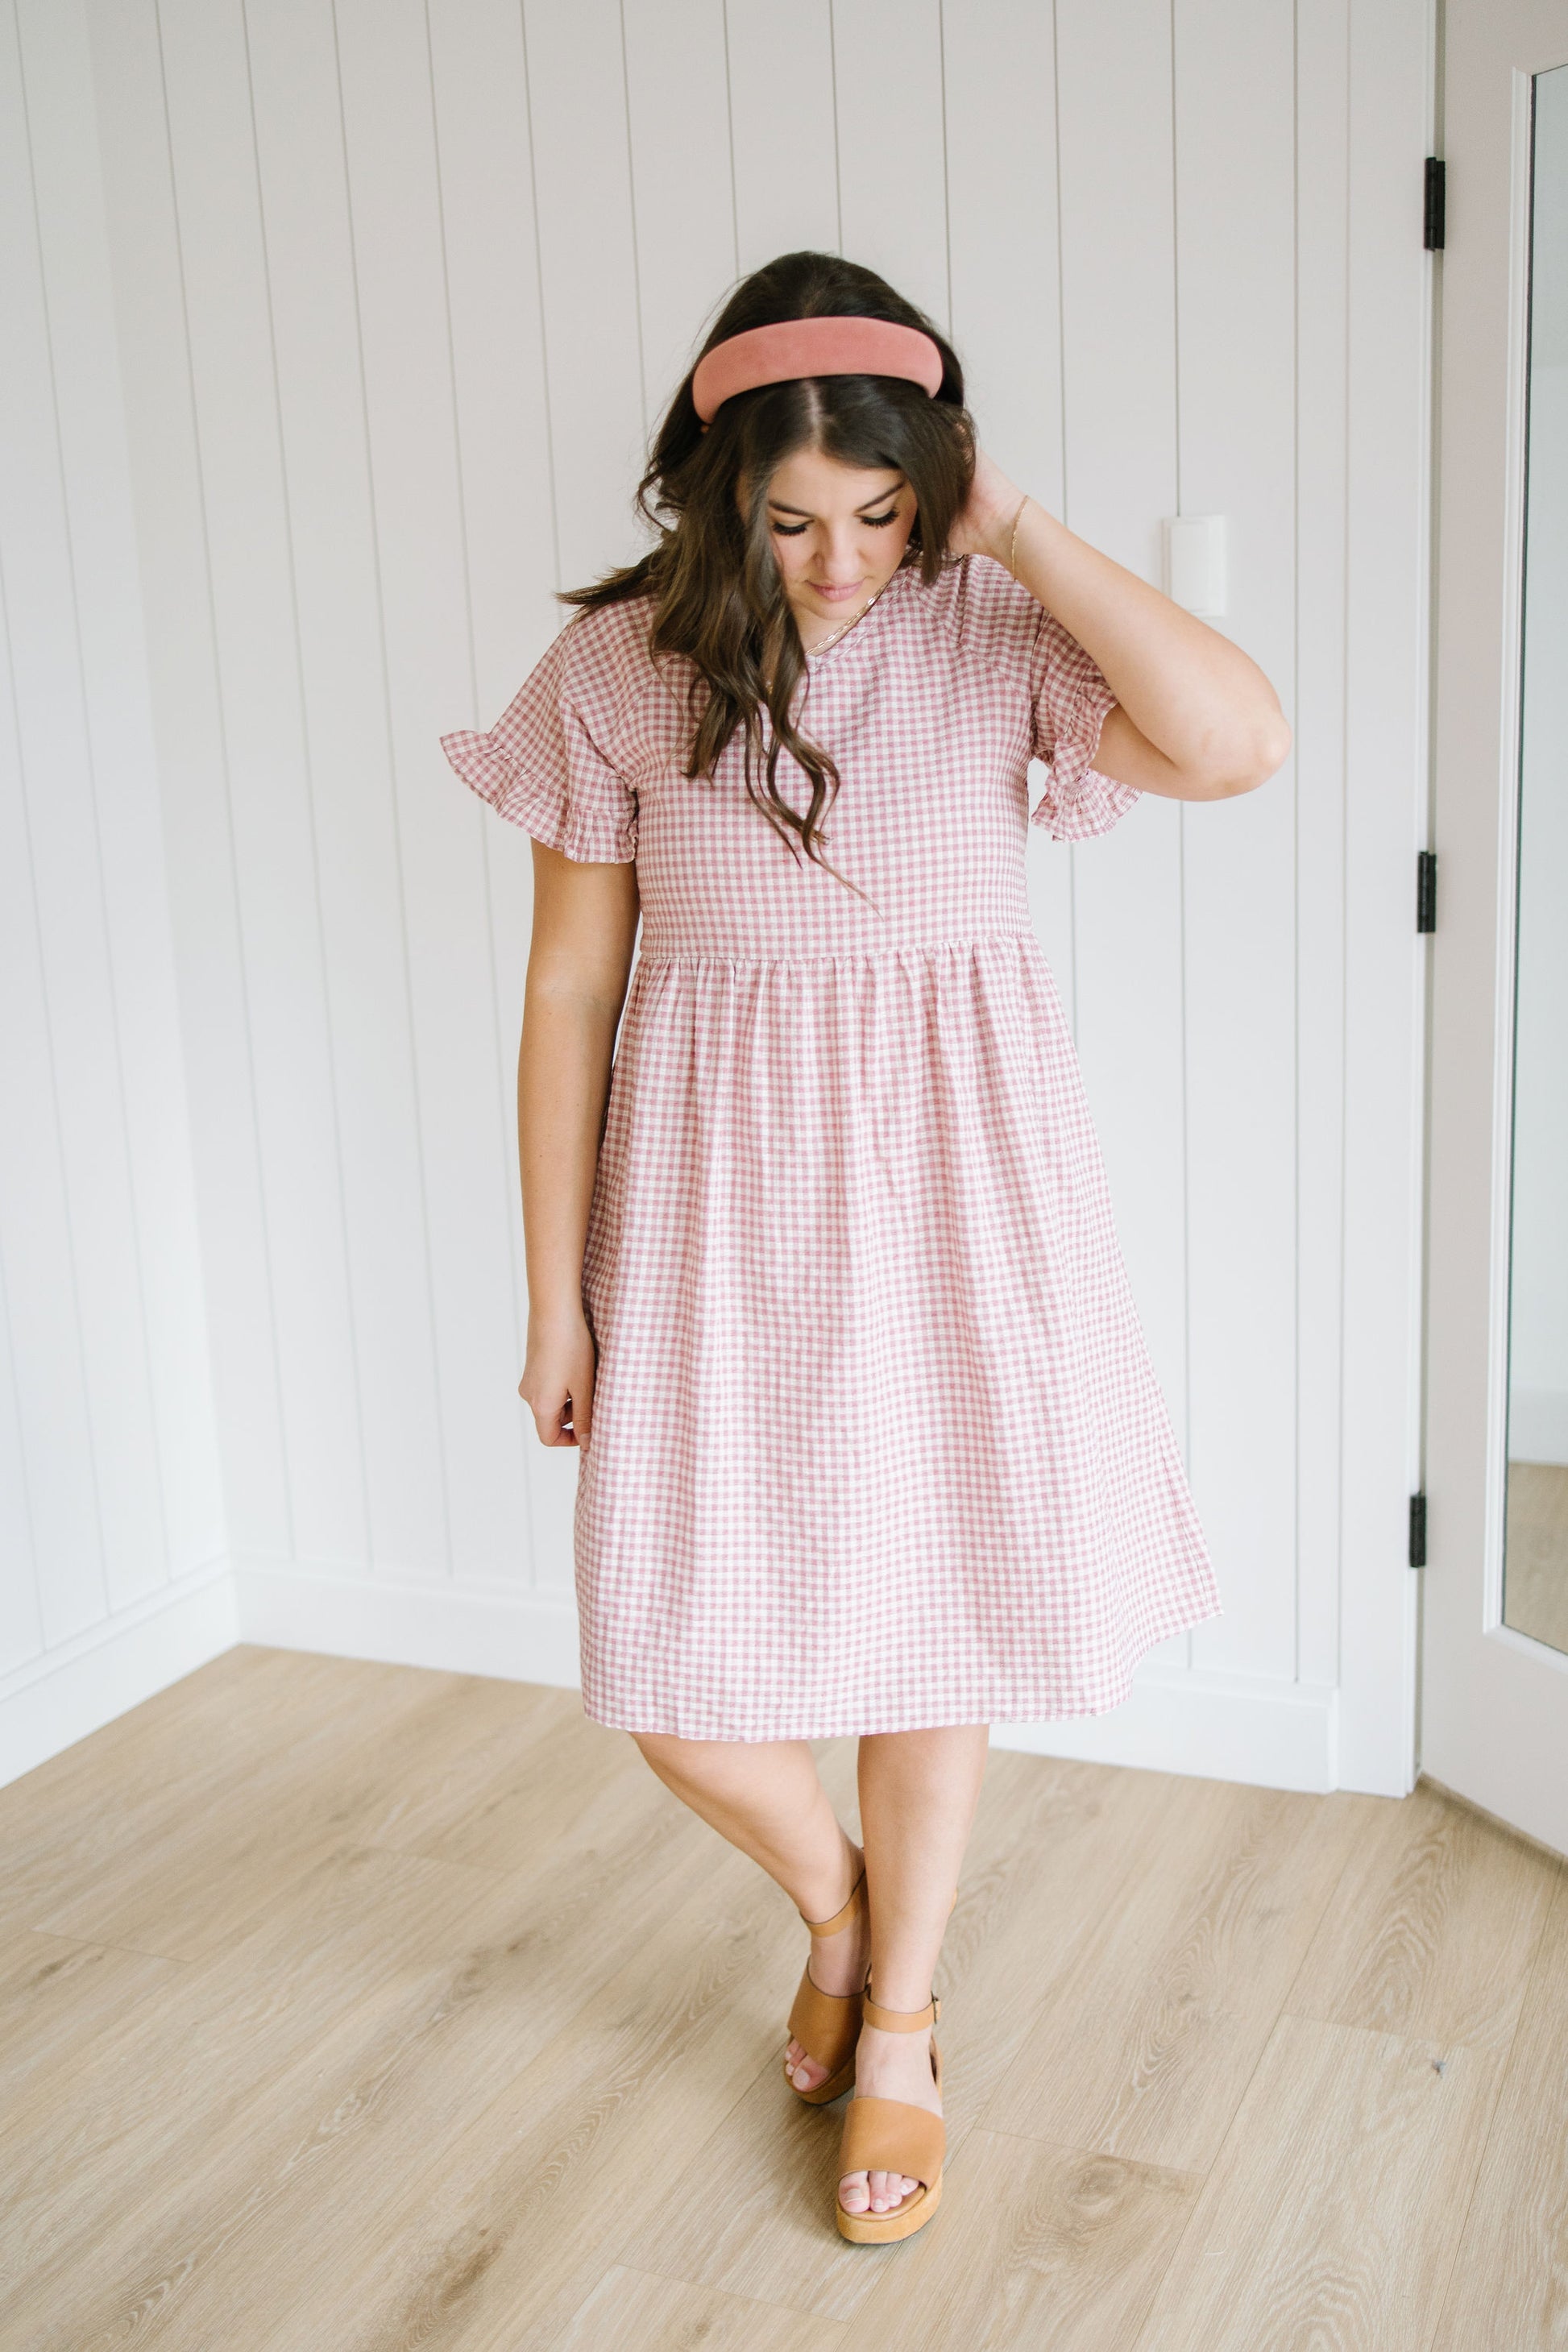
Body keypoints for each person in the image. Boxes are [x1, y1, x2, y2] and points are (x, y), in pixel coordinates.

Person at [439, 251, 1289, 2245]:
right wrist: (551, 1289)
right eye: (793, 519)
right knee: (671, 1656)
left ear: (938, 489)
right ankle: (838, 1907)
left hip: (953, 1190)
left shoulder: (989, 625)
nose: (837, 564)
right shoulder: (622, 668)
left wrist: (1010, 528)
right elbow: (570, 994)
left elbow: (1239, 742)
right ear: (719, 484)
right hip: (711, 1210)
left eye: (883, 514)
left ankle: (898, 2017)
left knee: (936, 1611)